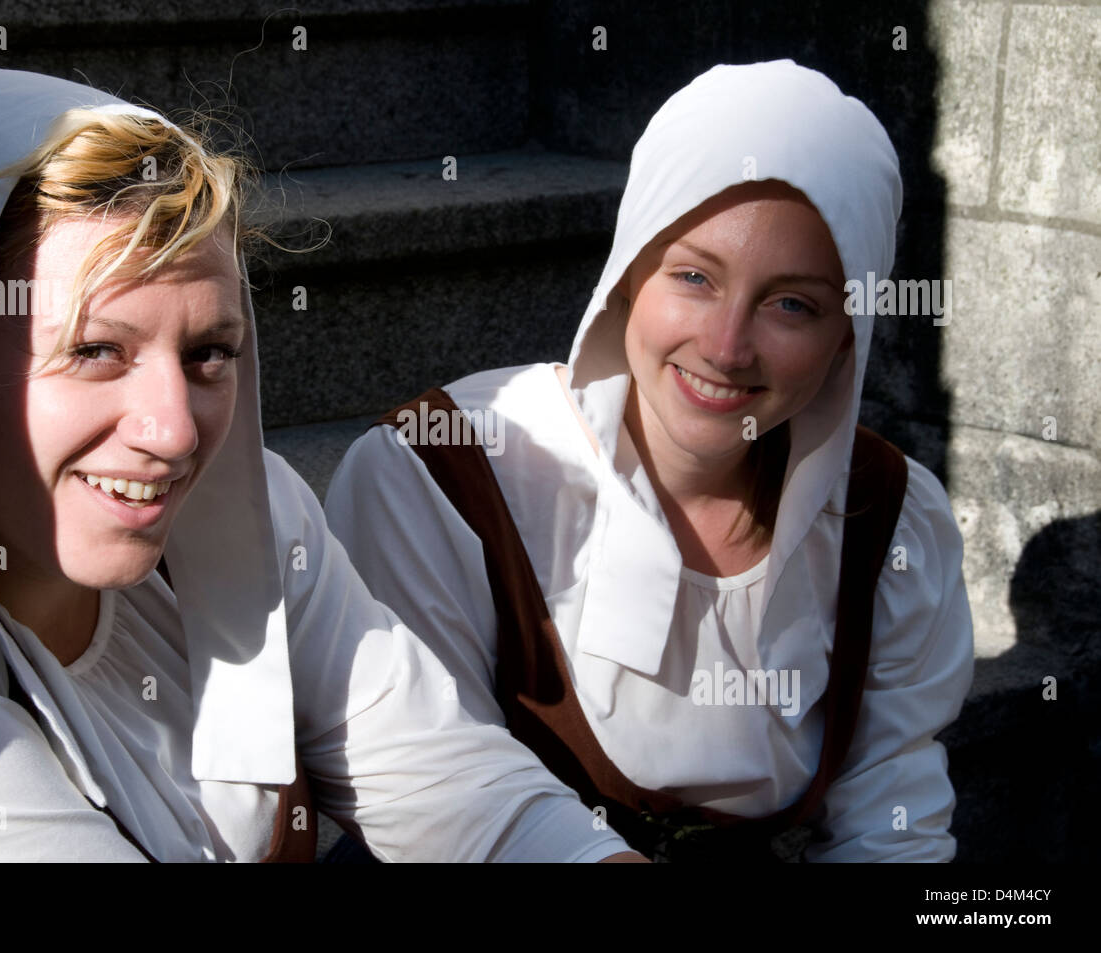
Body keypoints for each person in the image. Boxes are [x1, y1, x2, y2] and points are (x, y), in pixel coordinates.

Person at [0, 67, 642, 862]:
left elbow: (464, 790)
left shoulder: (250, 515)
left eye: (209, 351)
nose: (174, 432)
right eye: (95, 349)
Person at [325, 60, 975, 861]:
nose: (727, 346)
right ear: (630, 271)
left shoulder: (890, 522)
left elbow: (892, 813)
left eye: (792, 304)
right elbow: (428, 785)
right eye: (695, 276)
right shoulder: (441, 474)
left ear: (849, 335)